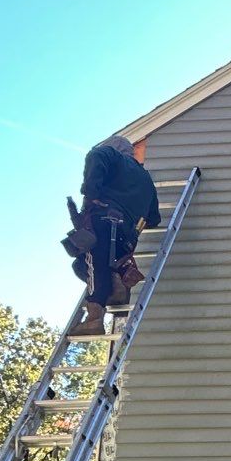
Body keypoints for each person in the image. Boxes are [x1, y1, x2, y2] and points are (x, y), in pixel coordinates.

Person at [67, 134, 160, 335]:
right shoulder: (145, 179)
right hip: (126, 237)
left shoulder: (110, 154)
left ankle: (94, 319)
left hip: (103, 222)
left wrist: (91, 194)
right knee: (86, 265)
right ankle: (116, 285)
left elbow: (97, 155)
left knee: (92, 264)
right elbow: (154, 219)